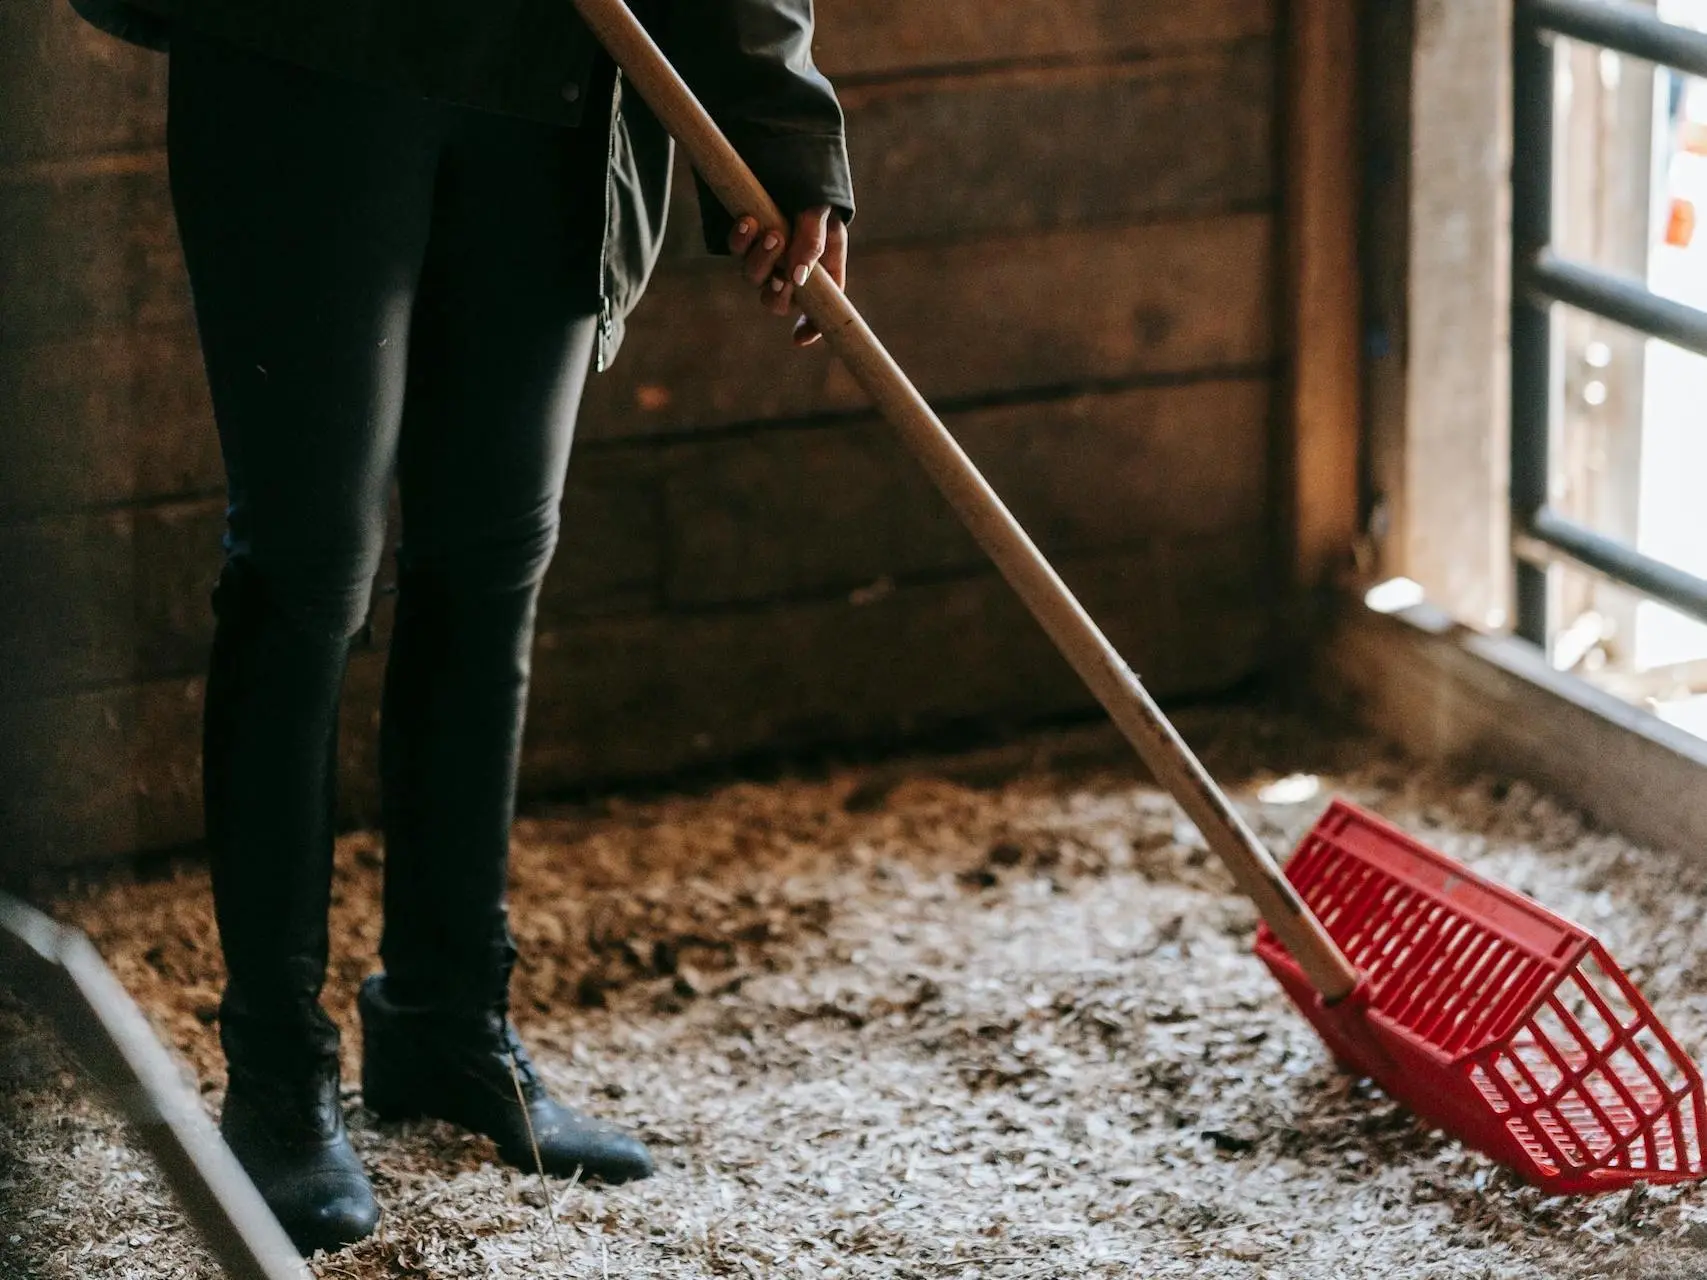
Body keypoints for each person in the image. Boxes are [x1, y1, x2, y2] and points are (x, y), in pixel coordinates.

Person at [69, 0, 854, 1256]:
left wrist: (785, 129)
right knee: (308, 568)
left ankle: (445, 1021)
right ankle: (278, 1071)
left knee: (492, 556)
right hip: (311, 60)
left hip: (553, 87)